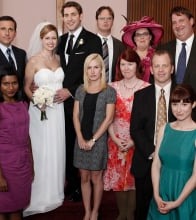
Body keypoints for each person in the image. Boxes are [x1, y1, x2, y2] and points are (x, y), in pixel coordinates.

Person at [56, 1, 103, 202]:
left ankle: (80, 185)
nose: (70, 18)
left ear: (81, 16)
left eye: (73, 14)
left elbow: (94, 73)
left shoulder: (92, 40)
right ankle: (71, 183)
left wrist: (72, 91)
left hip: (82, 101)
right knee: (65, 143)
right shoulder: (60, 40)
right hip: (59, 104)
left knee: (80, 142)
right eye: (66, 15)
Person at [23, 22, 66, 216]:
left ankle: (55, 191)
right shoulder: (33, 61)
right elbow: (26, 86)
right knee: (41, 151)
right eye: (47, 38)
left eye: (53, 38)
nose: (51, 41)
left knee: (56, 149)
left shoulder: (59, 58)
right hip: (40, 111)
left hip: (58, 111)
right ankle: (39, 194)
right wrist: (37, 101)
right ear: (41, 39)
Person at [103, 49, 150, 220]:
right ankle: (122, 214)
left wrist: (133, 141)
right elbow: (106, 118)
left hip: (137, 144)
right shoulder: (111, 88)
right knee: (118, 183)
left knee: (134, 182)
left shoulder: (147, 88)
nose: (126, 68)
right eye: (123, 64)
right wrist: (114, 139)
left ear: (137, 65)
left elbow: (149, 122)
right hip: (115, 142)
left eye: (130, 64)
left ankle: (130, 215)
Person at [130, 50, 176, 220]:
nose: (161, 70)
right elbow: (135, 129)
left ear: (172, 68)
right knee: (143, 208)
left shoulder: (183, 94)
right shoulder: (141, 95)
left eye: (165, 65)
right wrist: (153, 153)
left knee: (172, 208)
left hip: (175, 164)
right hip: (146, 161)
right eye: (157, 66)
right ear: (152, 69)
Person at [0, 65, 33, 220]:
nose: (11, 87)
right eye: (6, 84)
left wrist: (31, 164)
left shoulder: (22, 103)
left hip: (22, 165)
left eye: (14, 83)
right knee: (1, 208)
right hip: (4, 165)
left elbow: (27, 136)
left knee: (17, 206)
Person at [73, 53, 116, 220]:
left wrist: (93, 140)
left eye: (96, 67)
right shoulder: (80, 90)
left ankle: (95, 211)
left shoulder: (109, 91)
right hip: (81, 140)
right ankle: (87, 211)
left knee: (96, 177)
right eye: (89, 68)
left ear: (101, 69)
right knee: (84, 177)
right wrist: (80, 138)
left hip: (97, 141)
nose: (92, 71)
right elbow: (76, 116)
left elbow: (109, 118)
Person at [147, 84, 196, 219]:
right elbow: (156, 164)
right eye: (175, 104)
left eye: (185, 104)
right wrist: (156, 194)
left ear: (193, 104)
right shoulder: (164, 129)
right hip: (162, 193)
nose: (179, 110)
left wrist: (178, 202)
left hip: (185, 195)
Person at [159, 7, 196, 96]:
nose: (178, 25)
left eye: (181, 20)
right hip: (170, 107)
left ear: (191, 21)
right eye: (174, 22)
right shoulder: (163, 50)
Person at [122, 16, 163, 83]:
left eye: (145, 34)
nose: (142, 37)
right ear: (134, 39)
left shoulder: (157, 57)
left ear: (150, 37)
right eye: (138, 35)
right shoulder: (127, 57)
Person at [95, 6, 126, 82]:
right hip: (93, 90)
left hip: (114, 90)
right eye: (102, 18)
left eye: (109, 18)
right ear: (97, 21)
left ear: (113, 21)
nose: (105, 21)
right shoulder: (88, 43)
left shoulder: (121, 46)